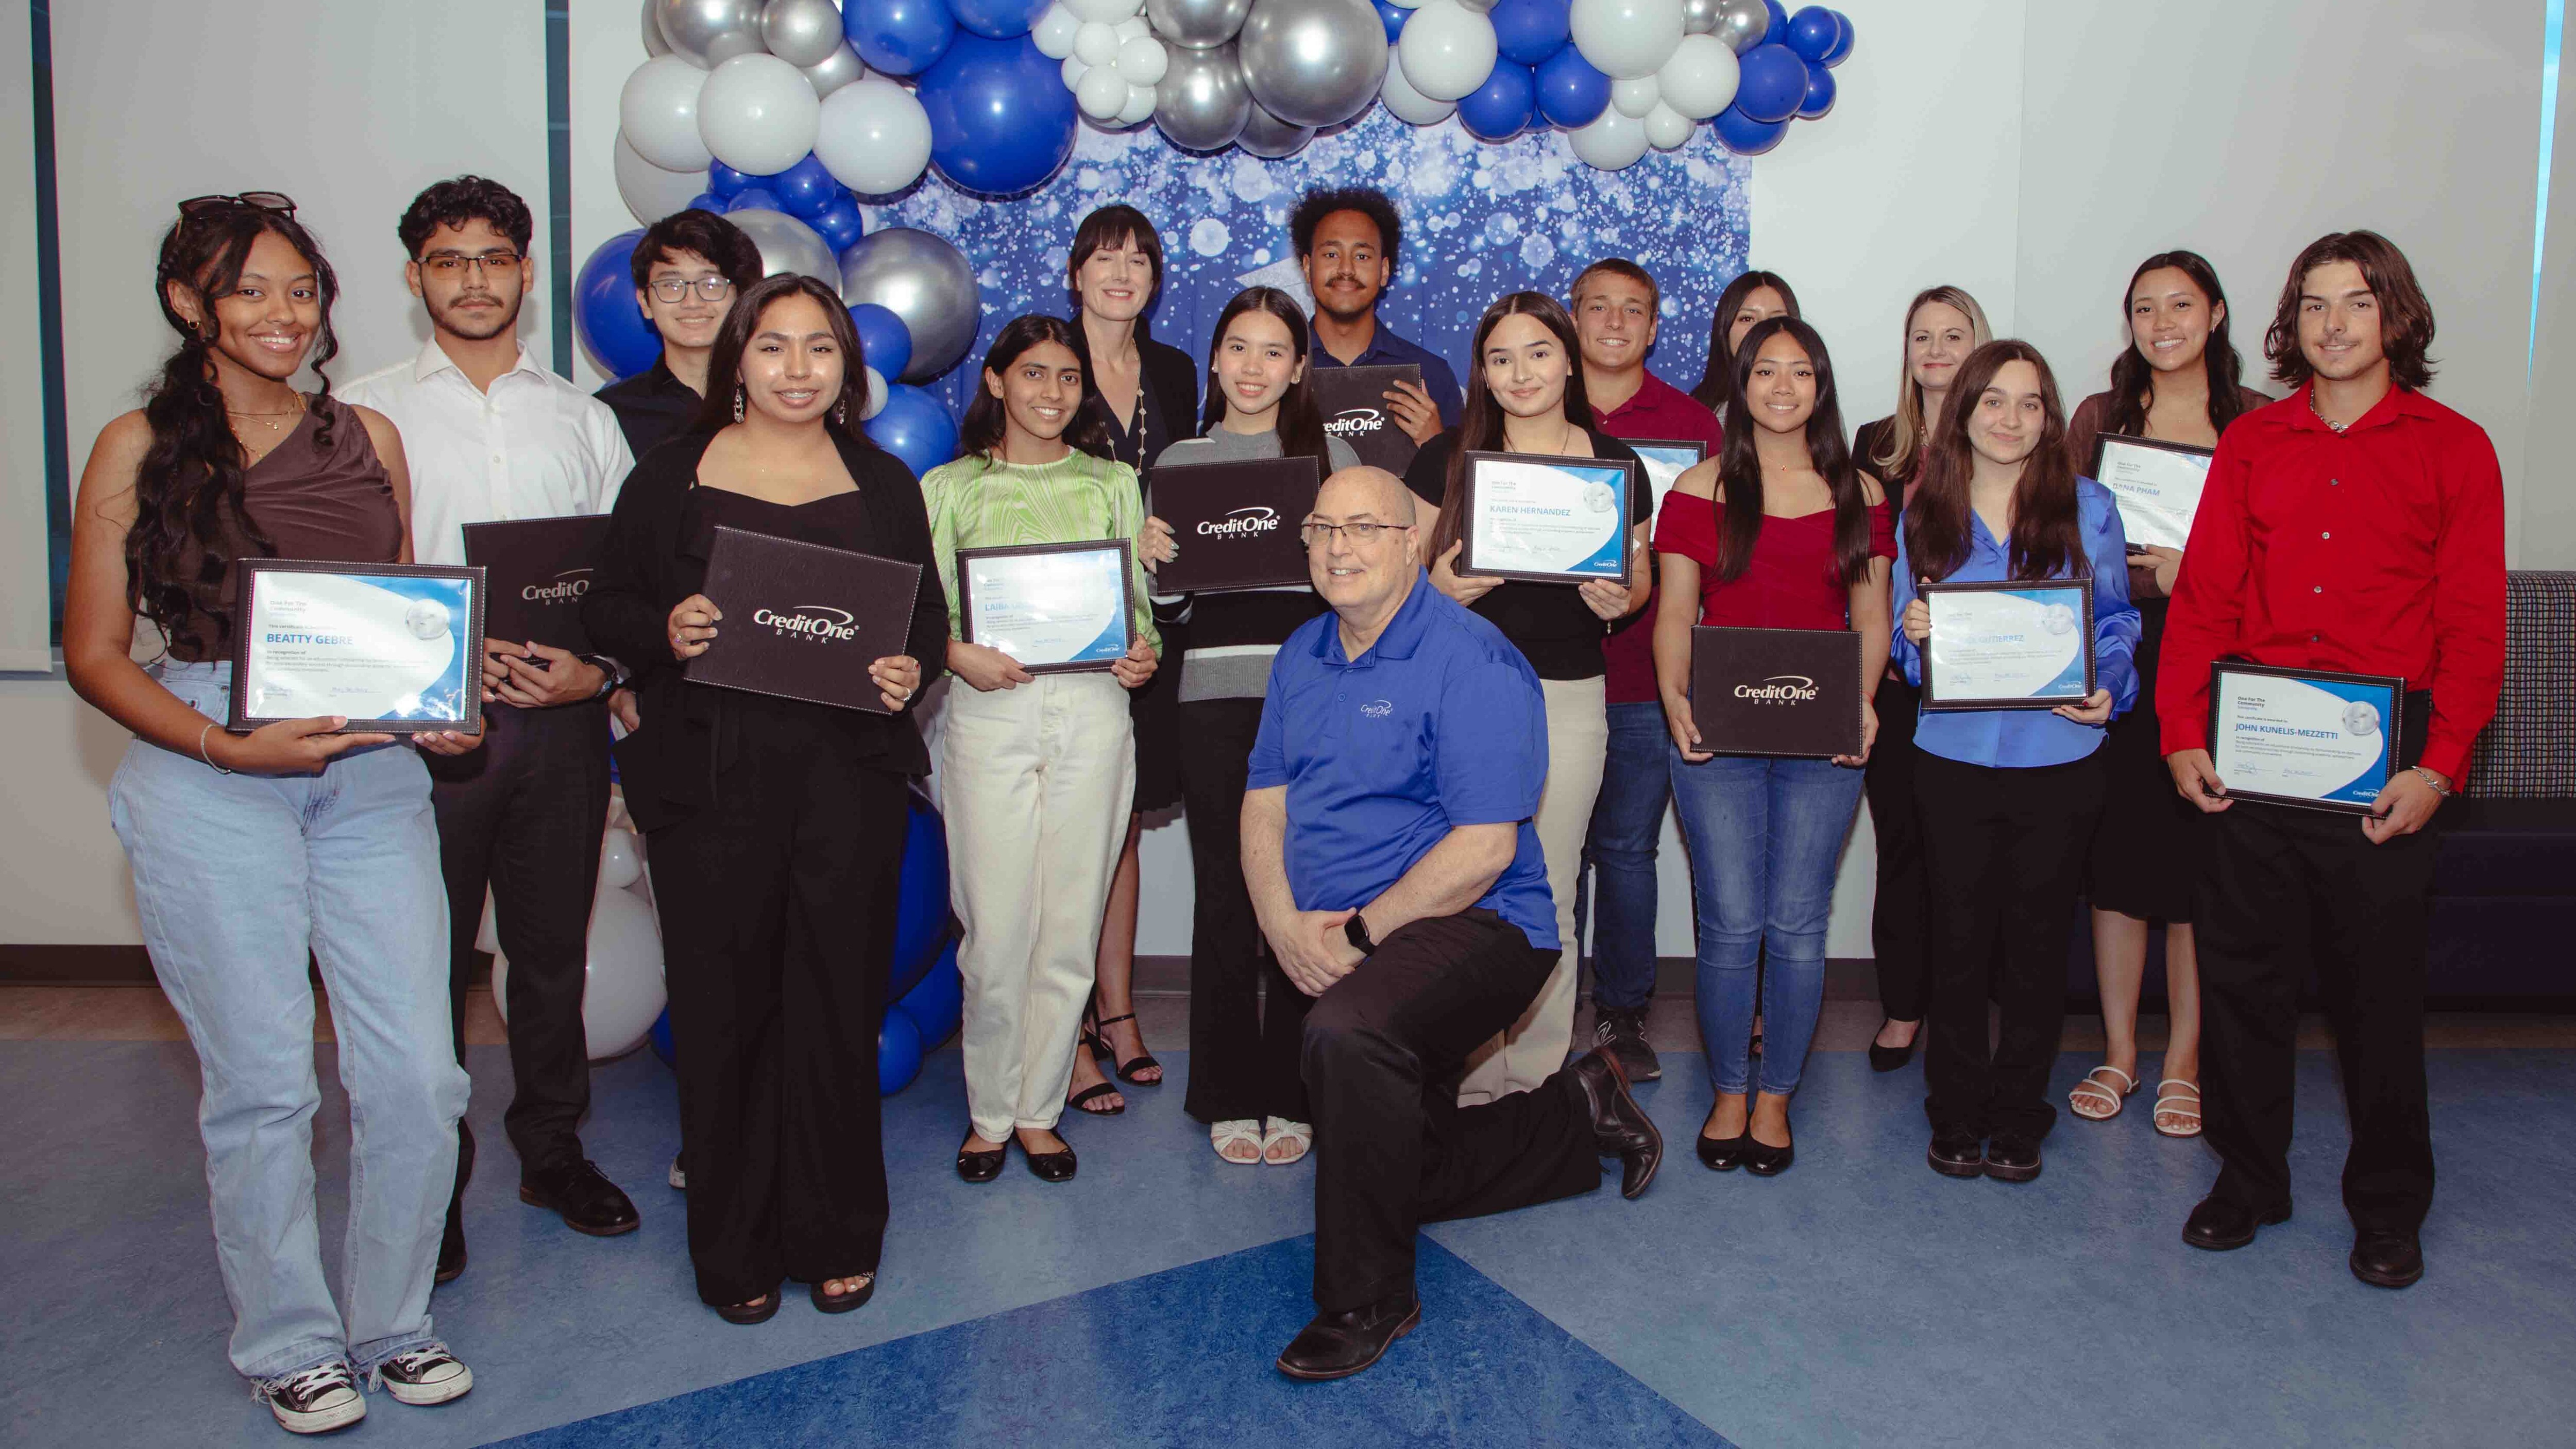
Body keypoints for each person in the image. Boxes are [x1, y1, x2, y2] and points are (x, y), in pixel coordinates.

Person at [63, 194, 479, 1434]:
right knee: (263, 1084)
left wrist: (439, 707)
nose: (284, 315)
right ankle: (291, 1341)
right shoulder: (134, 445)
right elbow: (91, 652)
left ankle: (395, 1320)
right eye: (251, 290)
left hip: (369, 773)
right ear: (190, 303)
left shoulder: (375, 437)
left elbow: (400, 625)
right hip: (204, 763)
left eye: (302, 290)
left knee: (420, 1074)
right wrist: (225, 744)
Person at [584, 273, 945, 1323]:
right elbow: (609, 597)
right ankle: (731, 1242)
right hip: (710, 780)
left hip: (847, 779)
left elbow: (921, 620)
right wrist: (669, 629)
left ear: (848, 365)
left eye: (820, 348)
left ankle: (836, 1229)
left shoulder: (882, 480)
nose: (798, 368)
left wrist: (906, 672)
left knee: (835, 1006)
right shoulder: (671, 476)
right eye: (775, 346)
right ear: (736, 357)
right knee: (722, 1009)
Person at [1253, 465, 1662, 1381]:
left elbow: (1483, 848)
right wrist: (1283, 924)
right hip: (1347, 924)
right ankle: (1577, 1110)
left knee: (1349, 1034)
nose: (1338, 546)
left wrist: (1352, 940)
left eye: (1365, 527)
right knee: (1399, 1160)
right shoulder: (1301, 653)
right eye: (1322, 528)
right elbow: (1263, 802)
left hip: (1483, 924)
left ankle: (1369, 1297)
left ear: (1411, 545)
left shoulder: (1474, 659)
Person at [2158, 232, 2504, 1289]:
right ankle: (2250, 1177)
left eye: (2356, 303)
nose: (2334, 324)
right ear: (2289, 322)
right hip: (2253, 752)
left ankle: (2389, 1207)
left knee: (2377, 1001)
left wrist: (2438, 767)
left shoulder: (2453, 447)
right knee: (2243, 986)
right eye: (2313, 305)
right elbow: (2206, 598)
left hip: (2382, 765)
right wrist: (2180, 731)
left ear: (2394, 316)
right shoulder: (2254, 442)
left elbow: (2475, 628)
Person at [342, 177, 639, 1280]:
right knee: (419, 967)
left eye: (495, 257)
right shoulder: (366, 414)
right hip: (423, 740)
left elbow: (622, 582)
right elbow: (347, 583)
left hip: (560, 729)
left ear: (524, 269)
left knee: (550, 954)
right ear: (417, 276)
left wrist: (596, 668)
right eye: (448, 258)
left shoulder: (583, 417)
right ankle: (435, 1176)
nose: (475, 278)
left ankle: (552, 1148)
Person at [1893, 340, 2138, 1185]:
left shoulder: (2090, 506)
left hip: (2061, 756)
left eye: (2030, 403)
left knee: (2037, 947)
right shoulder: (1924, 507)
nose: (2009, 419)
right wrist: (1914, 639)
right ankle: (1955, 1113)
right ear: (1964, 408)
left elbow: (2115, 621)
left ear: (2050, 415)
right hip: (1952, 757)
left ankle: (2019, 1113)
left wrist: (2113, 688)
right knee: (1957, 942)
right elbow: (1903, 637)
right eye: (1993, 400)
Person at [926, 315, 1162, 1186]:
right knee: (995, 930)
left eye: (1068, 377)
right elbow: (918, 614)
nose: (1052, 392)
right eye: (1033, 374)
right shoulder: (948, 487)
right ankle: (988, 1112)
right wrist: (956, 653)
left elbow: (1138, 612)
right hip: (991, 710)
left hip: (1096, 708)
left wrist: (1144, 656)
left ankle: (1037, 1111)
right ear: (995, 382)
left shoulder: (1112, 484)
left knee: (1068, 923)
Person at [1654, 318, 1893, 1175]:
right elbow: (1677, 612)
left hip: (1820, 738)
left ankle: (1778, 1095)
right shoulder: (1698, 488)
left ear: (1821, 387)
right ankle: (1727, 1089)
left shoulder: (1861, 491)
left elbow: (1871, 615)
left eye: (1802, 372)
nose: (1783, 386)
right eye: (1766, 370)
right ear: (1742, 382)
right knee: (1727, 926)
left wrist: (1859, 706)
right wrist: (1677, 703)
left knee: (1795, 925)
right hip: (1718, 733)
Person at [1404, 292, 1651, 1104]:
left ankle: (1535, 1081)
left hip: (1569, 696)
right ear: (1483, 371)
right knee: (1462, 887)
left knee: (1548, 885)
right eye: (1502, 358)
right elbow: (1392, 598)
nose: (1522, 373)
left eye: (1539, 353)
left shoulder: (1617, 465)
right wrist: (1436, 589)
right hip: (1459, 697)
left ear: (1571, 360)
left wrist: (1625, 597)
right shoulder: (1441, 460)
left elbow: (1638, 575)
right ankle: (1471, 1080)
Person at [1147, 287, 1360, 1165]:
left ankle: (1298, 1088)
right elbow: (1174, 607)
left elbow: (1362, 583)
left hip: (1315, 700)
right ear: (1215, 358)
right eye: (1238, 346)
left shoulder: (1330, 456)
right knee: (1229, 894)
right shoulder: (1181, 460)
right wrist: (1158, 565)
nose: (1253, 366)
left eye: (1274, 351)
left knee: (1311, 894)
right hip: (1213, 701)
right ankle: (1227, 1089)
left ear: (1300, 367)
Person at [2061, 251, 2271, 1138]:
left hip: (2222, 662)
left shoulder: (2260, 423)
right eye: (2144, 307)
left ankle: (2184, 1057)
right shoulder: (2099, 418)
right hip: (2123, 655)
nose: (2162, 322)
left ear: (2217, 314)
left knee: (2198, 868)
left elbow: (2287, 561)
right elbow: (2059, 534)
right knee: (2120, 866)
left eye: (2180, 304)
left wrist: (2203, 571)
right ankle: (2120, 1048)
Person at [1573, 259, 1744, 1082]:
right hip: (1549, 673)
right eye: (1597, 308)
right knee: (1544, 853)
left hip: (1646, 677)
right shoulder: (1536, 406)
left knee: (1626, 851)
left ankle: (1622, 1013)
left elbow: (1715, 554)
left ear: (1653, 325)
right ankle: (1537, 1001)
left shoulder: (1694, 426)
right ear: (1573, 318)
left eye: (1631, 310)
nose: (1613, 323)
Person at [1061, 206, 1196, 1116]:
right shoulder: (1044, 359)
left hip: (1161, 628)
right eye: (1105, 258)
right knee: (1070, 830)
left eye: (1139, 259)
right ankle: (1064, 1026)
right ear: (1076, 273)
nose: (1122, 272)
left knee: (1127, 818)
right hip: (1066, 630)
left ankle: (1118, 1014)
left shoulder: (1180, 371)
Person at [1852, 285, 1992, 1072]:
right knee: (1902, 846)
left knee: (1973, 856)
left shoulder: (2010, 433)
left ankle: (1966, 1007)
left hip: (1990, 687)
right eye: (1922, 337)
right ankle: (1905, 1007)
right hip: (1900, 689)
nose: (1937, 350)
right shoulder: (1877, 444)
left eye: (1954, 334)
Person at [1290, 186, 1462, 442]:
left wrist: (1436, 445)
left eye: (1361, 256)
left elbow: (1462, 480)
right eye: (1331, 254)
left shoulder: (1431, 374)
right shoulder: (1279, 369)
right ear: (1307, 267)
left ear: (1384, 271)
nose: (1346, 269)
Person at [594, 208, 762, 460]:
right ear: (645, 302)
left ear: (742, 297)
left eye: (712, 284)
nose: (692, 302)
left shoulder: (774, 401)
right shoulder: (607, 414)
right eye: (671, 285)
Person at [1687, 269, 1801, 414]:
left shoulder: (1812, 406)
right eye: (1747, 319)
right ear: (1725, 330)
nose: (1761, 330)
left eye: (1776, 319)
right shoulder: (1696, 414)